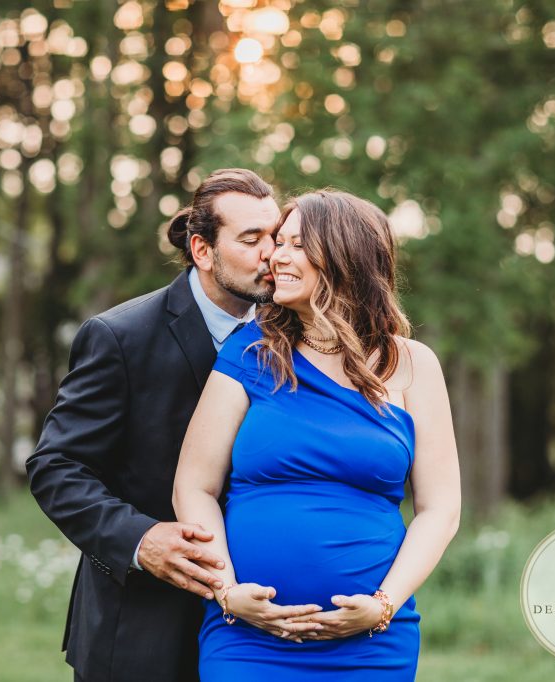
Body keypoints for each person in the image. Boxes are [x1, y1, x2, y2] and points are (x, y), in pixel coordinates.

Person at [27, 169, 317, 682]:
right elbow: (56, 467)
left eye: (276, 236)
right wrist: (142, 540)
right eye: (251, 240)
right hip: (143, 629)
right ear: (203, 250)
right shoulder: (120, 337)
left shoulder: (298, 339)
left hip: (263, 628)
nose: (271, 253)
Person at [173, 189, 462, 680]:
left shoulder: (413, 365)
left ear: (346, 255)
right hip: (247, 637)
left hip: (371, 642)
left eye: (295, 245)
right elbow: (193, 486)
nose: (275, 256)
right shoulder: (250, 353)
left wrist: (384, 604)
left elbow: (440, 509)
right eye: (276, 242)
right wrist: (226, 591)